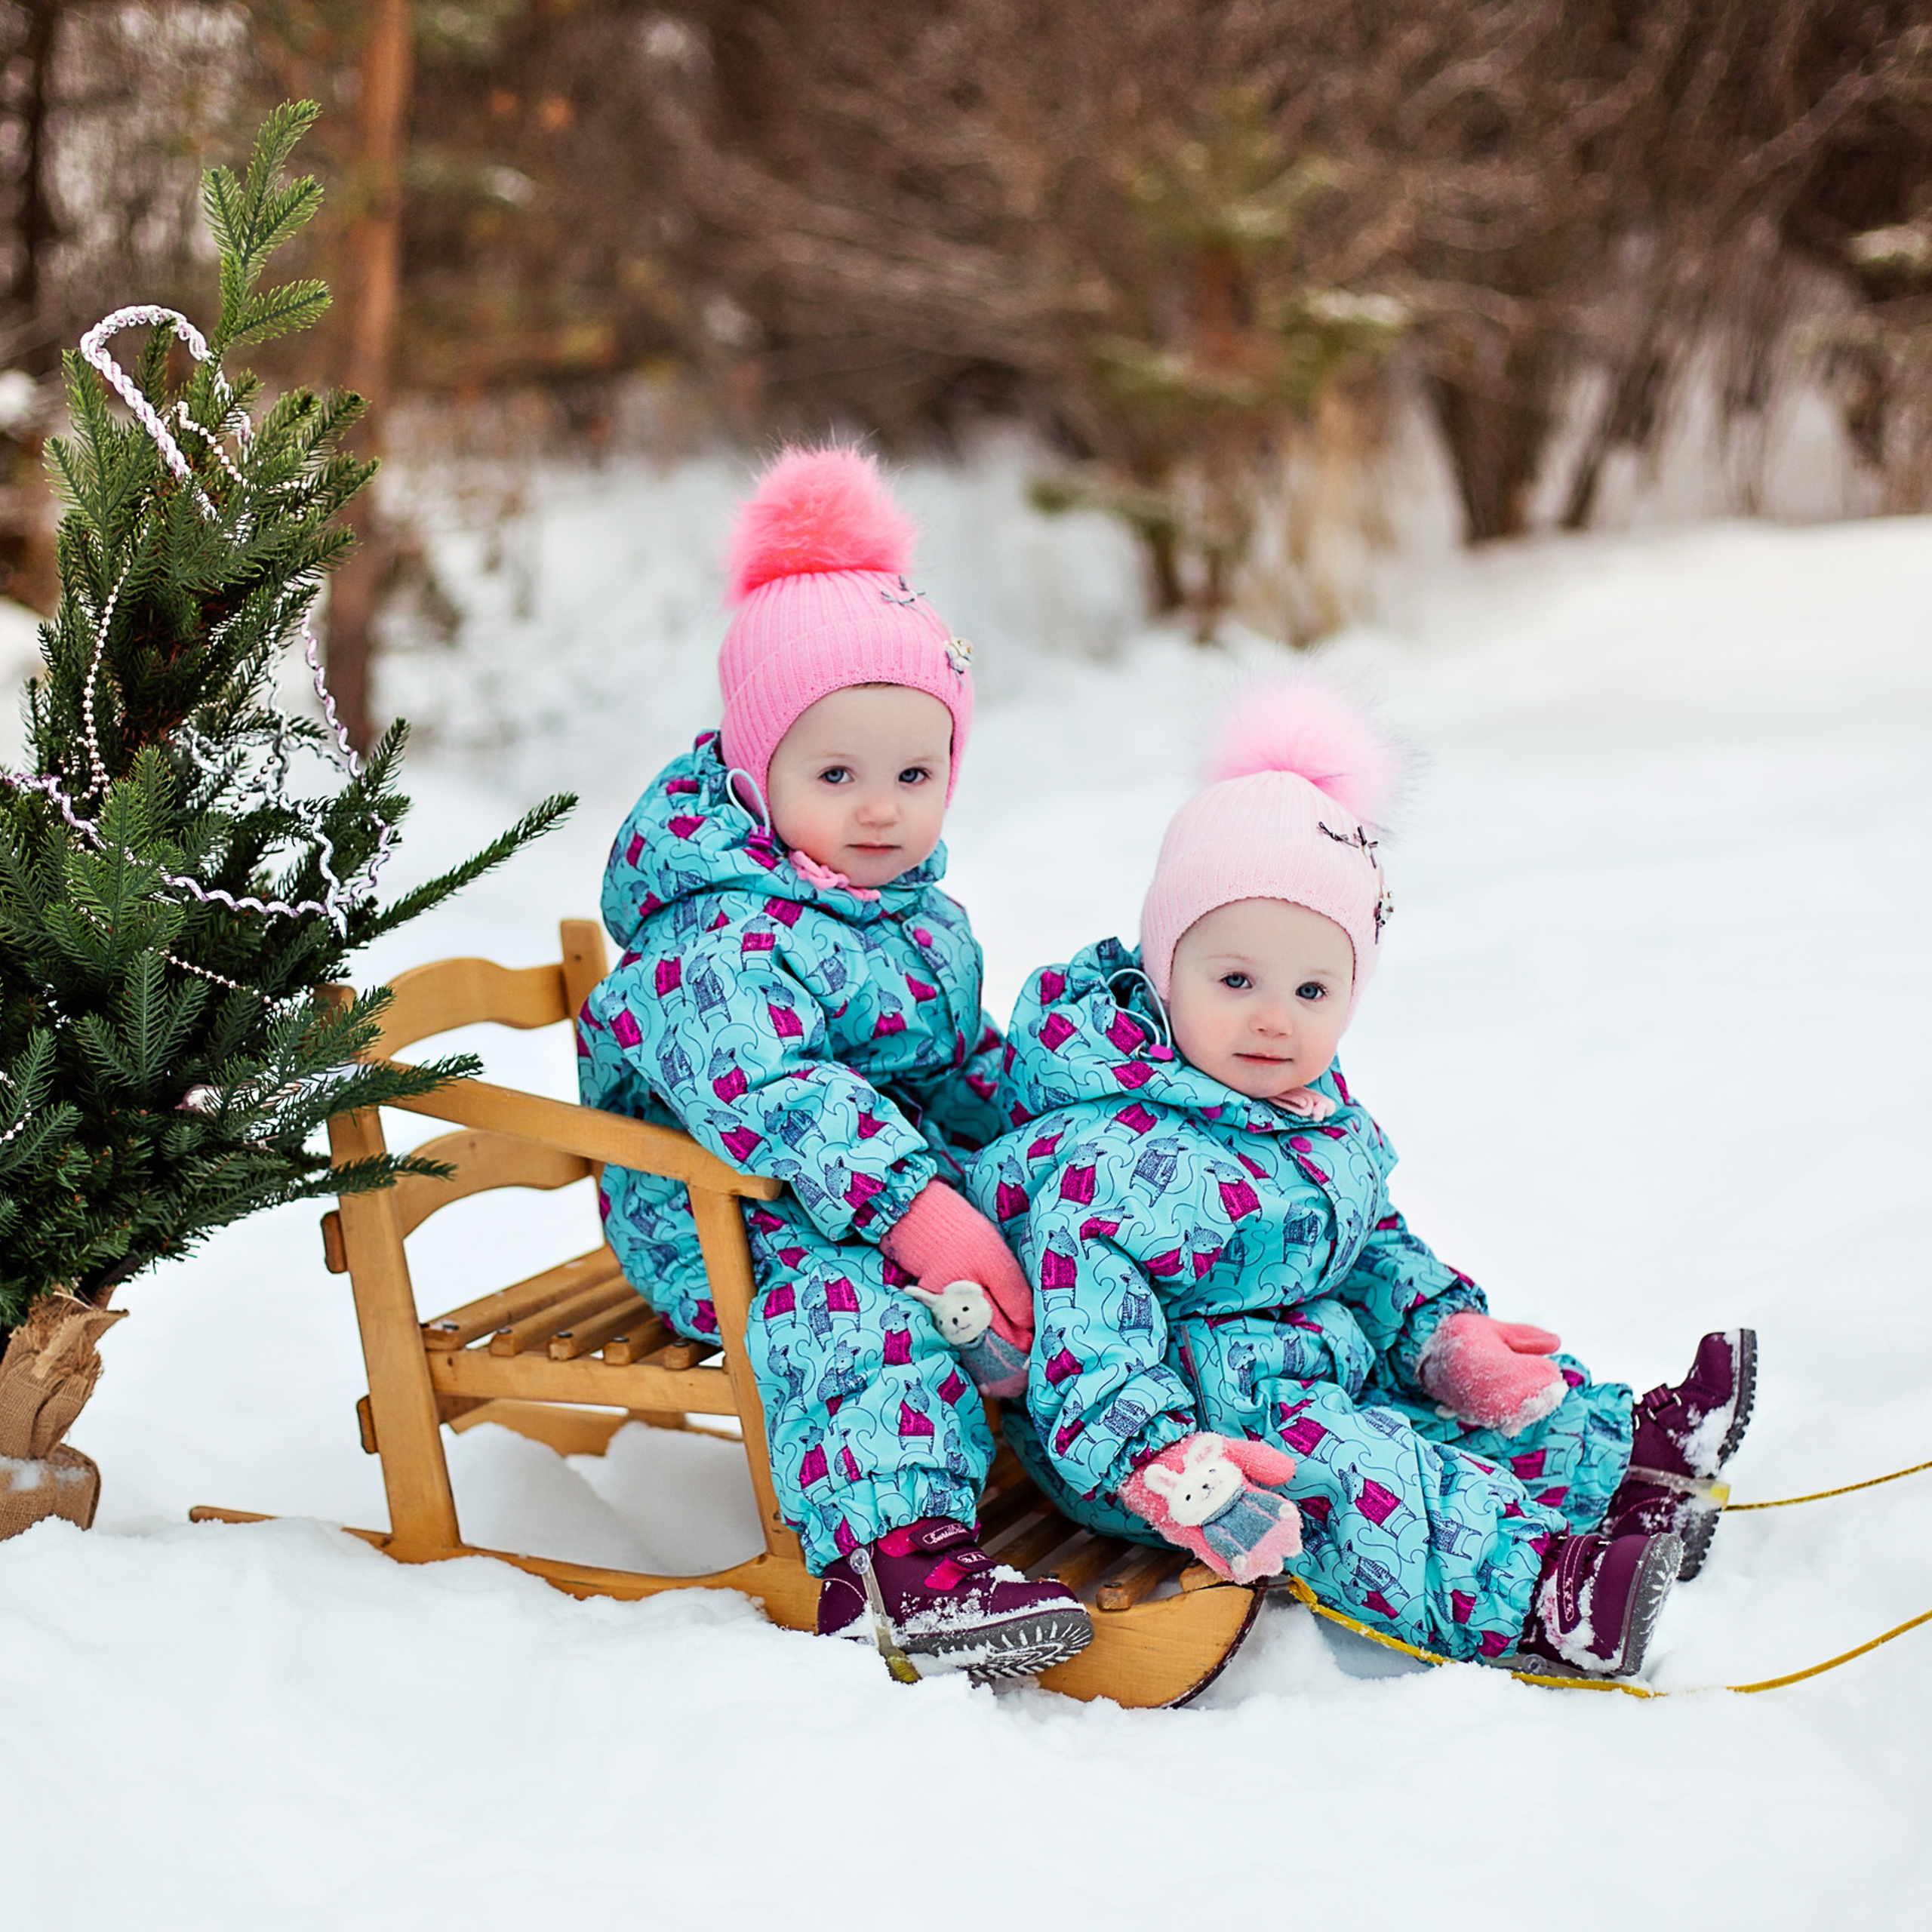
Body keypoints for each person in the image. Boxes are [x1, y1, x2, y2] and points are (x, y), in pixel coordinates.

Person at [964, 681, 1754, 1677]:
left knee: (1445, 1420)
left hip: (1315, 1375)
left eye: (1311, 990)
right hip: (1188, 1450)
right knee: (1365, 1471)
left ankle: (1623, 1462)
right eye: (1236, 980)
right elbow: (1094, 1357)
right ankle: (1543, 1594)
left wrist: (1440, 1335)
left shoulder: (1313, 1110)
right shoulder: (1104, 1161)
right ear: (1168, 972)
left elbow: (1371, 1242)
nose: (1273, 1020)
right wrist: (1159, 1462)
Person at [577, 447, 1091, 1680]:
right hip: (718, 1204)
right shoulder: (716, 936)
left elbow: (958, 1064)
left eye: (915, 776)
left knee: (1072, 1211)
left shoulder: (908, 909)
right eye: (838, 776)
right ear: (757, 777)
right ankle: (895, 1556)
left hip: (871, 1185)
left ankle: (1125, 1454)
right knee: (847, 1292)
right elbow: (779, 1097)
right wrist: (923, 1210)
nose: (881, 812)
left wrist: (1040, 1138)